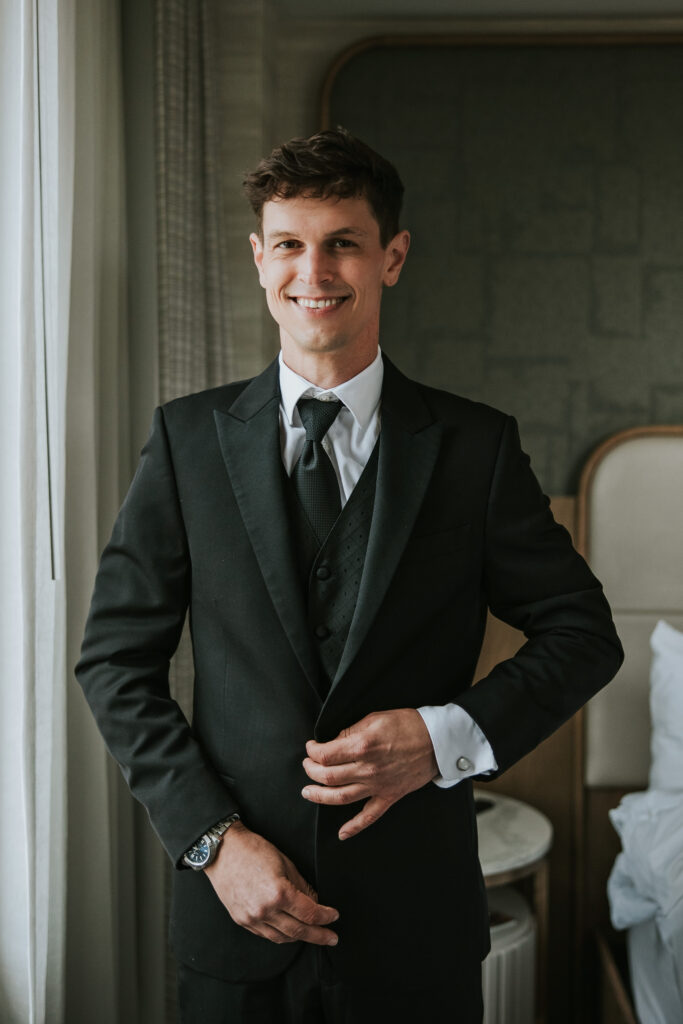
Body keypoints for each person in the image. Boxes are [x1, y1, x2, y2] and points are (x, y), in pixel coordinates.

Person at [76, 128, 623, 1024]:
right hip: (236, 920)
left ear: (392, 257)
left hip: (417, 925)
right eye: (289, 243)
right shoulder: (186, 442)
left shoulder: (474, 448)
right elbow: (113, 663)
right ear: (259, 259)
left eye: (342, 242)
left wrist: (445, 735)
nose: (313, 270)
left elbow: (583, 634)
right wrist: (213, 844)